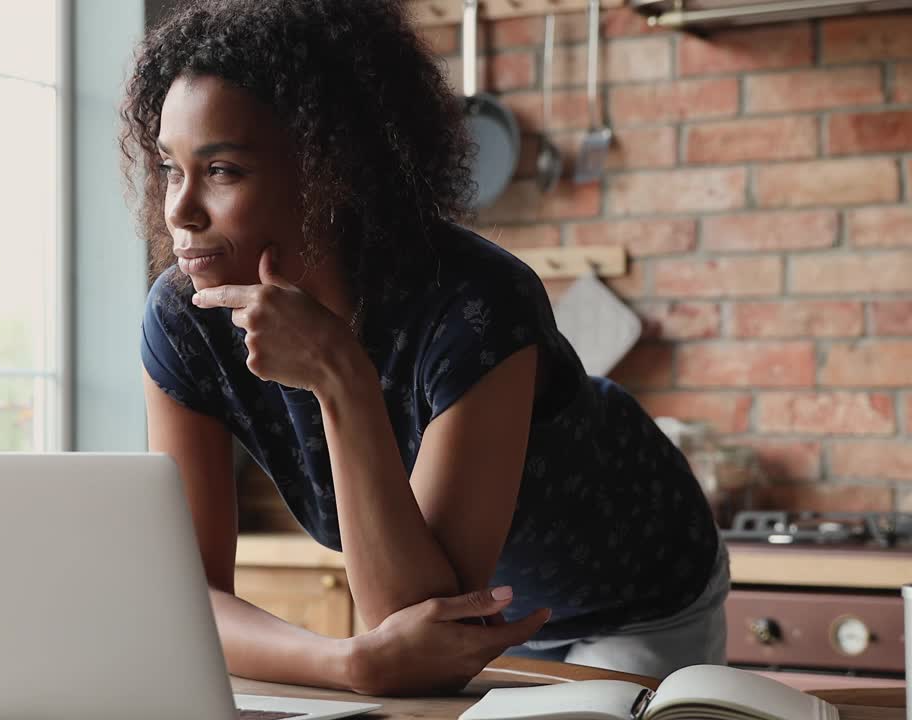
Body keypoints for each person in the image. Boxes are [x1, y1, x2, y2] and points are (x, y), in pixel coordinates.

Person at [122, 0, 728, 696]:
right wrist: (347, 661)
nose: (179, 209)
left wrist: (339, 375)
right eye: (171, 167)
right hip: (467, 628)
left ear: (327, 169)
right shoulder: (183, 319)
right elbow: (186, 597)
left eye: (222, 170)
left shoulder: (475, 302)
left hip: (629, 600)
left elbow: (421, 622)